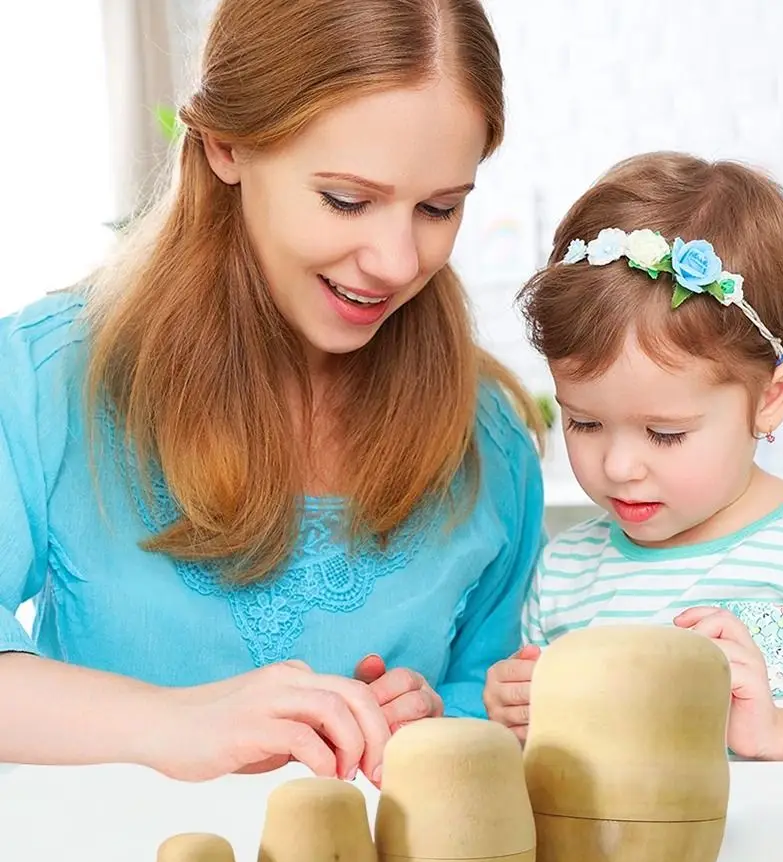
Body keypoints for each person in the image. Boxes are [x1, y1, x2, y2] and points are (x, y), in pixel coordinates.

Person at [0, 0, 546, 785]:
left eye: (439, 208)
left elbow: (495, 701)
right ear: (227, 144)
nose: (396, 261)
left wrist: (439, 723)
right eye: (347, 200)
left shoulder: (487, 440)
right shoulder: (45, 376)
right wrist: (172, 723)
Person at [483, 151, 783, 761]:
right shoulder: (565, 572)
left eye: (665, 434)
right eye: (584, 422)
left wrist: (777, 732)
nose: (618, 466)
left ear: (771, 399)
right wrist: (520, 719)